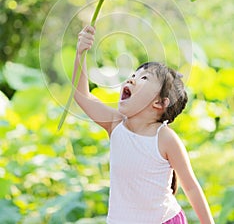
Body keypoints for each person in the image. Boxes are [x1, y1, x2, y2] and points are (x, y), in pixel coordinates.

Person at [73, 25, 215, 224]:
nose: (131, 79)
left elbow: (190, 187)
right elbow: (82, 97)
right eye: (133, 75)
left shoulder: (164, 138)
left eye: (144, 78)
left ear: (159, 103)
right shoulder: (115, 125)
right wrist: (81, 54)